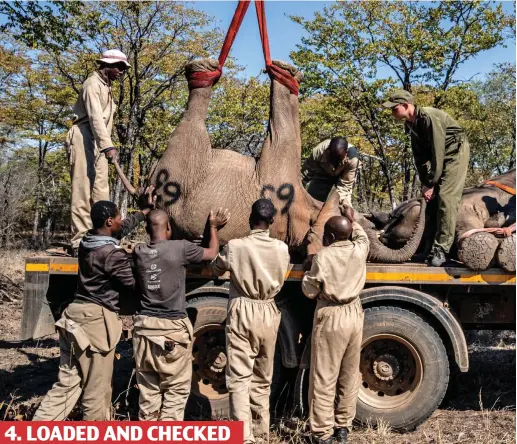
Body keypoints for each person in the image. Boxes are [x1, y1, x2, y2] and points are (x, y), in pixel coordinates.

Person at [33, 187, 155, 421]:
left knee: (66, 387)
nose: (122, 222)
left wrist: (143, 212)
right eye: (119, 218)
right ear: (109, 221)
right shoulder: (112, 254)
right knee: (96, 393)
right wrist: (146, 259)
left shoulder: (88, 240)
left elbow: (119, 230)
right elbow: (133, 285)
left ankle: (34, 432)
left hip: (74, 317)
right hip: (94, 323)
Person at [131, 208, 230, 421]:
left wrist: (141, 212)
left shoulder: (138, 251)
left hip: (143, 329)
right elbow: (212, 253)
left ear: (147, 229)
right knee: (175, 392)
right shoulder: (179, 249)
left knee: (148, 394)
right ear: (168, 228)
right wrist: (213, 227)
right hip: (170, 330)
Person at [212, 199, 290, 444]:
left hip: (243, 309)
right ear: (272, 221)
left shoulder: (236, 246)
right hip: (269, 310)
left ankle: (242, 436)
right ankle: (260, 431)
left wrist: (214, 230)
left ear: (250, 219)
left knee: (239, 378)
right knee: (262, 377)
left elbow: (216, 267)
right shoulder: (282, 249)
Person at [302, 207, 369, 444]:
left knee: (324, 376)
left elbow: (309, 291)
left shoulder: (324, 257)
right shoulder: (359, 250)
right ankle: (343, 426)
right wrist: (352, 219)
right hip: (354, 312)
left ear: (328, 237)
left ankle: (321, 433)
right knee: (349, 374)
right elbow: (362, 236)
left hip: (331, 315)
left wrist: (309, 268)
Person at [382, 90, 470, 266]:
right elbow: (420, 157)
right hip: (441, 154)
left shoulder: (429, 117)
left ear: (406, 106)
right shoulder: (411, 124)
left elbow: (438, 153)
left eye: (394, 108)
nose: (392, 112)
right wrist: (425, 182)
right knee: (430, 202)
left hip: (455, 152)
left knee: (446, 197)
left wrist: (432, 183)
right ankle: (428, 249)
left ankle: (441, 250)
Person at [67, 49, 131, 254]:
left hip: (101, 141)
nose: (122, 71)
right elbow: (95, 117)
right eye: (119, 67)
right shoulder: (92, 84)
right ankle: (80, 241)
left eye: (124, 68)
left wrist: (110, 140)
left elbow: (105, 120)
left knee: (101, 193)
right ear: (107, 65)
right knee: (82, 190)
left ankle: (102, 238)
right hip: (84, 135)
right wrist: (108, 145)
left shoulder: (108, 87)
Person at [302, 136, 360, 205]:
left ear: (346, 154)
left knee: (342, 206)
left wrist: (333, 204)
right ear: (328, 149)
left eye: (338, 158)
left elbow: (345, 186)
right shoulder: (319, 151)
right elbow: (306, 172)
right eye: (332, 157)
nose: (334, 160)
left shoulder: (352, 159)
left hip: (344, 175)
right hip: (324, 171)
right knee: (312, 202)